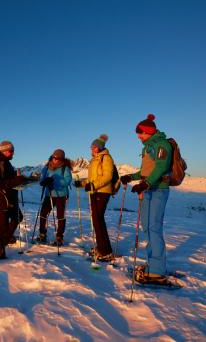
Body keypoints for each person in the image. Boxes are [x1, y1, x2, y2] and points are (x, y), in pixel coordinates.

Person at [120, 114, 172, 284]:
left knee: (154, 227)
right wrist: (132, 177)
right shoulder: (147, 147)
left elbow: (161, 167)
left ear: (149, 132)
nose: (138, 136)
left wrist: (146, 183)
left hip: (158, 189)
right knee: (146, 228)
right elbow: (146, 171)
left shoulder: (162, 145)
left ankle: (157, 270)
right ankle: (152, 263)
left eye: (140, 133)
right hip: (148, 189)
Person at [74, 134, 114, 261]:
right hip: (95, 192)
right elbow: (92, 178)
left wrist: (93, 185)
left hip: (102, 192)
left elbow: (107, 176)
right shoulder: (95, 159)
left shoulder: (106, 158)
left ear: (99, 147)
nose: (91, 149)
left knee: (98, 220)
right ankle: (103, 247)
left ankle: (104, 251)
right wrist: (82, 183)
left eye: (93, 147)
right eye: (91, 147)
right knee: (97, 220)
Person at [0, 140, 27, 260]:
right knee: (0, 227)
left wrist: (20, 179)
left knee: (17, 217)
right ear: (4, 151)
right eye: (11, 151)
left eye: (13, 151)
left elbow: (9, 180)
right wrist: (15, 181)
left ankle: (3, 241)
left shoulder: (7, 163)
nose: (13, 153)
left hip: (10, 198)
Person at [36, 149, 72, 246]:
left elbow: (68, 181)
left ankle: (59, 237)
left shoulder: (65, 168)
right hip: (49, 194)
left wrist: (55, 182)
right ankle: (42, 234)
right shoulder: (47, 167)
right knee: (43, 213)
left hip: (61, 195)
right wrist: (44, 182)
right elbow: (42, 179)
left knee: (60, 216)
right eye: (53, 157)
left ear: (61, 159)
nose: (54, 159)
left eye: (57, 158)